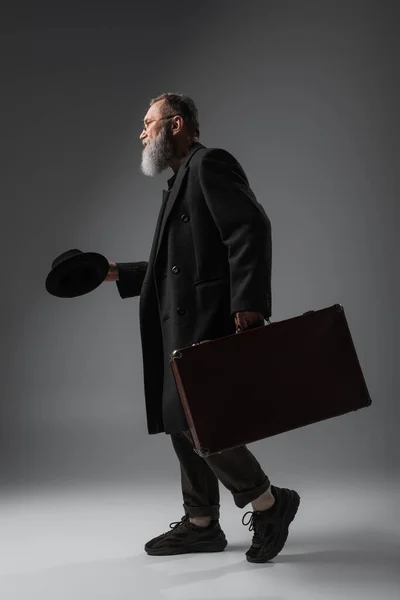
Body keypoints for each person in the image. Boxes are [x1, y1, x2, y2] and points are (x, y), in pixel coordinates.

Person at [105, 93, 300, 563]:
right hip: (180, 321)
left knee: (202, 422)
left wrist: (249, 303)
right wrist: (114, 271)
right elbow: (171, 266)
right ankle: (201, 523)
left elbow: (250, 227)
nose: (141, 132)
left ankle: (269, 502)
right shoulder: (177, 184)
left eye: (148, 123)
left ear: (175, 125)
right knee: (181, 420)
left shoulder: (209, 164)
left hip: (209, 318)